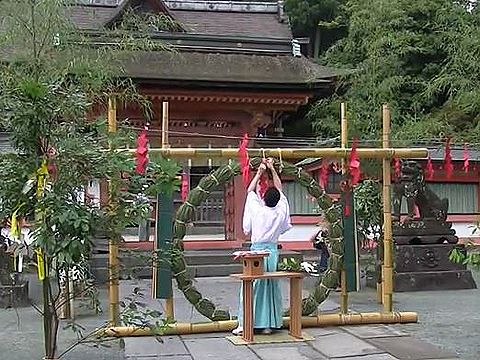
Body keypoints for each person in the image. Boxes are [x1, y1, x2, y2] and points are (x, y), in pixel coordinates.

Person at [233, 158, 292, 336]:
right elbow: (280, 190)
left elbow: (250, 191)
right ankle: (268, 324)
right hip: (272, 252)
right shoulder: (280, 211)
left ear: (264, 198)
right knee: (269, 286)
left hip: (257, 252)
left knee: (252, 286)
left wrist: (259, 173)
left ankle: (245, 323)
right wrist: (272, 169)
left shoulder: (258, 210)